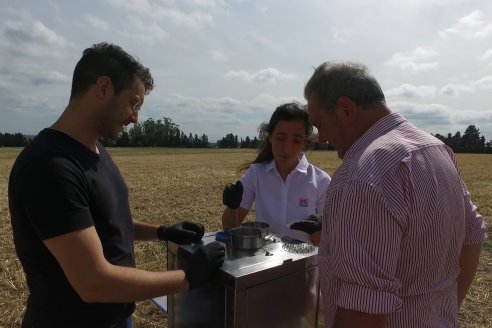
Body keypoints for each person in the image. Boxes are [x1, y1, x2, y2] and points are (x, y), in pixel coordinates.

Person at [8, 42, 225, 328]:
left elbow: (106, 222)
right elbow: (93, 282)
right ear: (103, 87)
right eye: (133, 103)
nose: (135, 117)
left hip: (115, 318)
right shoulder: (50, 166)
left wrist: (162, 232)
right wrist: (187, 277)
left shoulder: (93, 150)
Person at [302, 61, 488, 327]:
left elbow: (363, 312)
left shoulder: (361, 175)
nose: (321, 137)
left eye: (320, 124)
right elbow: (473, 236)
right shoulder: (435, 148)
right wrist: (443, 314)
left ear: (346, 109)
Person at [221, 102, 331, 244]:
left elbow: (326, 245)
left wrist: (318, 230)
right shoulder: (256, 174)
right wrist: (232, 206)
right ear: (270, 137)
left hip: (304, 264)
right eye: (280, 138)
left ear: (305, 142)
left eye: (296, 140)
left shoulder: (322, 182)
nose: (287, 148)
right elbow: (230, 228)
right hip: (266, 262)